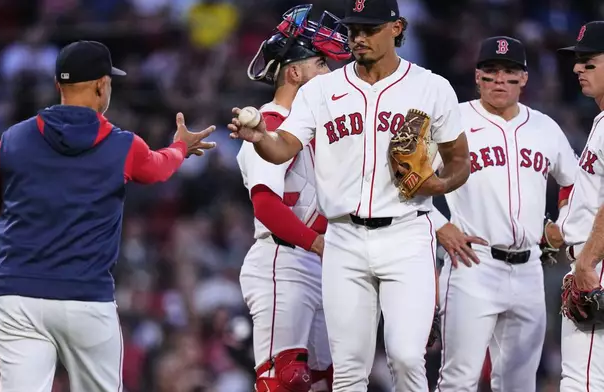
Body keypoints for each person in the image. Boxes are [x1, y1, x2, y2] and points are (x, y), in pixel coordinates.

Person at [228, 0, 471, 390]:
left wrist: (440, 185)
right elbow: (282, 148)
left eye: (369, 28)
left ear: (397, 28)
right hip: (342, 239)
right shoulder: (322, 91)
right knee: (347, 371)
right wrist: (259, 139)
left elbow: (459, 160)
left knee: (408, 356)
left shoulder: (431, 86)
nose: (358, 37)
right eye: (354, 29)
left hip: (406, 233)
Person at [0, 40, 216, 392]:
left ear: (58, 86)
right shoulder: (122, 145)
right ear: (102, 85)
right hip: (86, 297)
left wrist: (26, 245)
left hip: (17, 293)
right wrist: (180, 147)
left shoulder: (14, 138)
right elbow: (159, 170)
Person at [430, 36, 577, 392]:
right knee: (458, 380)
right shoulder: (454, 121)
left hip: (529, 269)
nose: (500, 80)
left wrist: (563, 224)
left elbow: (574, 183)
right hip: (472, 264)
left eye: (509, 72)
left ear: (524, 78)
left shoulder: (544, 127)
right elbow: (410, 180)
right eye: (491, 71)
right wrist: (439, 225)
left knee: (519, 383)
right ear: (477, 75)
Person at [236, 5, 348, 391]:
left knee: (325, 381)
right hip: (283, 258)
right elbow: (266, 204)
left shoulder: (318, 130)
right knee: (286, 379)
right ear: (294, 72)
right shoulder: (267, 125)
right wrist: (318, 243)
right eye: (321, 63)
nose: (329, 73)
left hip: (321, 263)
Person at [556, 21, 604, 391]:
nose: (577, 68)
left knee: (583, 381)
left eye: (589, 62)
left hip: (598, 264)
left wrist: (586, 261)